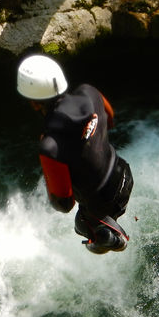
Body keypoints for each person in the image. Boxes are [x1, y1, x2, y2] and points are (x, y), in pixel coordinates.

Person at [17, 54, 134, 254]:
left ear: (34, 102)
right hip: (124, 174)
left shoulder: (50, 146)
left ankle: (109, 237)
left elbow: (64, 204)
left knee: (82, 224)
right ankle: (106, 231)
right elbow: (110, 118)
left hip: (101, 205)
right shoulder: (89, 92)